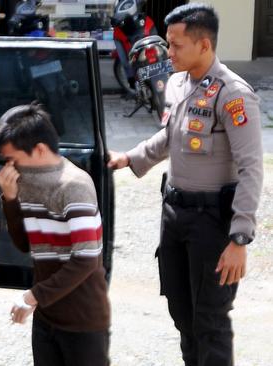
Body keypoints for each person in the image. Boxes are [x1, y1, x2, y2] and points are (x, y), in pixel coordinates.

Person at [107, 4, 263, 365]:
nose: (168, 53)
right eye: (169, 44)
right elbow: (169, 138)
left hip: (212, 223)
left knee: (210, 320)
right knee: (182, 313)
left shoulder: (233, 94)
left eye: (176, 46)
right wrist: (129, 158)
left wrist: (240, 237)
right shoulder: (178, 83)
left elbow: (252, 167)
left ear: (204, 45)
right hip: (175, 216)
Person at [0, 104, 110, 366]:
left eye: (13, 159)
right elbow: (25, 245)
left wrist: (32, 296)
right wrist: (10, 200)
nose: (9, 167)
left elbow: (86, 260)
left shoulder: (74, 186)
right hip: (46, 317)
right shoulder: (24, 182)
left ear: (40, 149)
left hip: (83, 321)